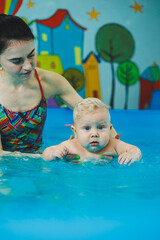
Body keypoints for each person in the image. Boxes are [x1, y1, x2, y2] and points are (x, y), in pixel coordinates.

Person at [0, 14, 118, 155]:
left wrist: (118, 148)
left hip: (40, 160)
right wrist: (50, 155)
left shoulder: (48, 81)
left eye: (31, 55)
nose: (28, 66)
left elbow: (93, 114)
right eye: (16, 60)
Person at [42, 98, 142, 166]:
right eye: (87, 128)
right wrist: (53, 154)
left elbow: (135, 150)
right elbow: (45, 153)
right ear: (75, 131)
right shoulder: (70, 146)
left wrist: (131, 155)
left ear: (110, 129)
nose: (94, 134)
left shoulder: (114, 145)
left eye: (101, 127)